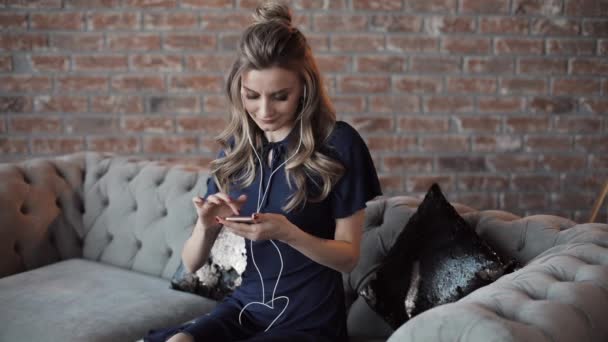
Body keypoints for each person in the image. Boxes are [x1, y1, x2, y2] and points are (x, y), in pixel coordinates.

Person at [145, 1, 381, 341]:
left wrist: (288, 233)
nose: (264, 110)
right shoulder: (235, 153)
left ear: (305, 88)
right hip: (244, 309)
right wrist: (206, 226)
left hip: (309, 323)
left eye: (280, 96)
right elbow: (191, 263)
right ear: (238, 89)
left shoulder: (338, 144)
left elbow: (347, 258)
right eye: (251, 95)